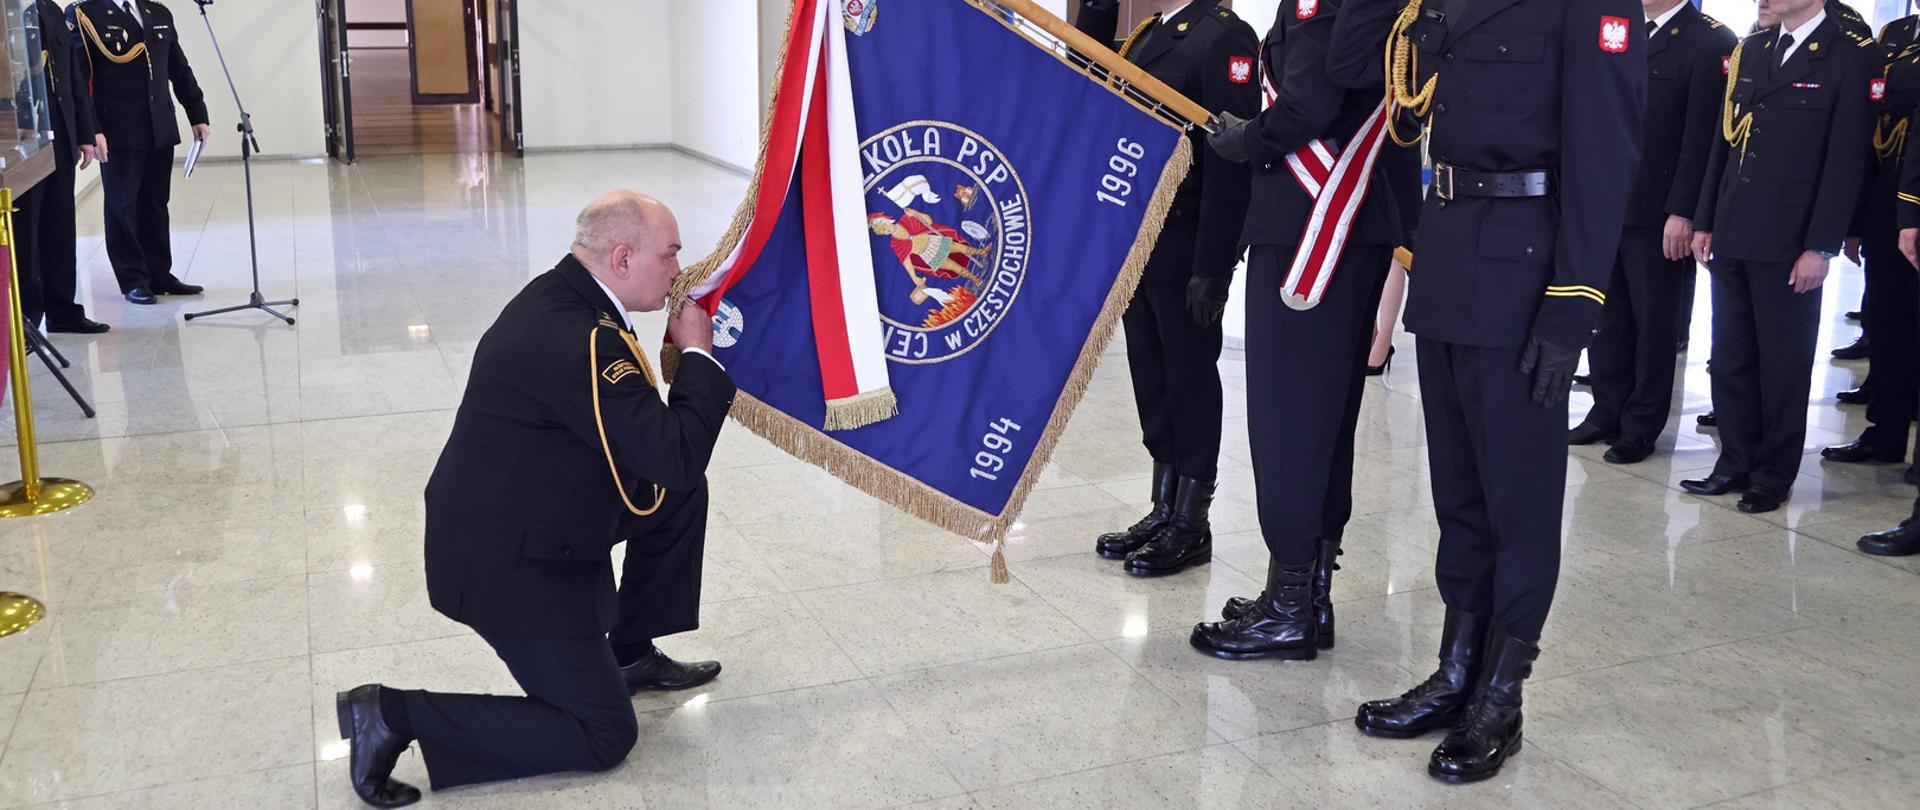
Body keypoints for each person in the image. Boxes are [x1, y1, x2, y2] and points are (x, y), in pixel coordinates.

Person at [334, 192, 735, 808]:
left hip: (530, 514)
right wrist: (700, 356)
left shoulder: (565, 294)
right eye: (671, 254)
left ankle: (628, 653)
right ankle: (389, 714)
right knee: (603, 733)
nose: (680, 271)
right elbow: (673, 455)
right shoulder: (583, 337)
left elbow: (656, 464)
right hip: (510, 564)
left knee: (675, 500)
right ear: (623, 258)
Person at [1331, 0, 1644, 784]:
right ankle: (1455, 671)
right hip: (1449, 257)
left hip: (1526, 273)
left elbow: (1605, 150)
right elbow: (1384, 91)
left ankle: (1501, 697)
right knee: (1459, 494)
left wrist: (1575, 300)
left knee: (1519, 498)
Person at [1187, 0, 1413, 661]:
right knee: (1322, 422)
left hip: (1314, 227)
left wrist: (1249, 139)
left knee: (1291, 421)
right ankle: (1303, 592)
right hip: (1341, 222)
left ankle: (1291, 604)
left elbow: (1316, 94)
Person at [1076, 0, 1257, 577]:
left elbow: (1232, 166)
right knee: (1151, 373)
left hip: (1187, 242)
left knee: (1189, 378)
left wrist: (1215, 265)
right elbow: (1092, 81)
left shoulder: (1226, 38)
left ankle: (1192, 521)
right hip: (1143, 237)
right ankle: (1163, 505)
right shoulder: (1151, 35)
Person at [1684, 0, 1877, 515]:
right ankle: (1734, 463)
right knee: (1731, 359)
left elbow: (1845, 158)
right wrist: (1706, 219)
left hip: (1790, 237)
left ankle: (1772, 475)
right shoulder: (1753, 49)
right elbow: (1723, 145)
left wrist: (1821, 245)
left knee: (1782, 364)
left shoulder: (1847, 54)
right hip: (1734, 225)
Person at [1569, 0, 1735, 465]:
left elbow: (1705, 139)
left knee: (1654, 325)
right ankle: (1606, 410)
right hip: (1607, 204)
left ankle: (1641, 426)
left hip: (1661, 213)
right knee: (1605, 319)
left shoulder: (1710, 41)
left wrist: (1684, 211)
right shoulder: (1617, 28)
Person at [1822, 14, 1920, 468]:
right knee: (1888, 320)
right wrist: (1857, 219)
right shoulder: (1898, 33)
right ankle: (1886, 433)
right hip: (1889, 196)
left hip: (1915, 196)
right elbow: (1870, 123)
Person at [68, 0, 209, 305]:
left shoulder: (157, 12)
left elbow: (178, 67)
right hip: (117, 128)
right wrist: (92, 128)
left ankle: (159, 274)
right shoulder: (85, 14)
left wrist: (197, 112)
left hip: (159, 124)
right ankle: (133, 279)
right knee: (122, 206)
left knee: (156, 202)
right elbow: (79, 78)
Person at [14, 0, 110, 334]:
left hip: (60, 137)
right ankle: (26, 319)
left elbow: (71, 78)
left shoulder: (51, 11)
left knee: (59, 228)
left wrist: (84, 132)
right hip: (20, 143)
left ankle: (62, 311)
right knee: (25, 233)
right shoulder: (7, 11)